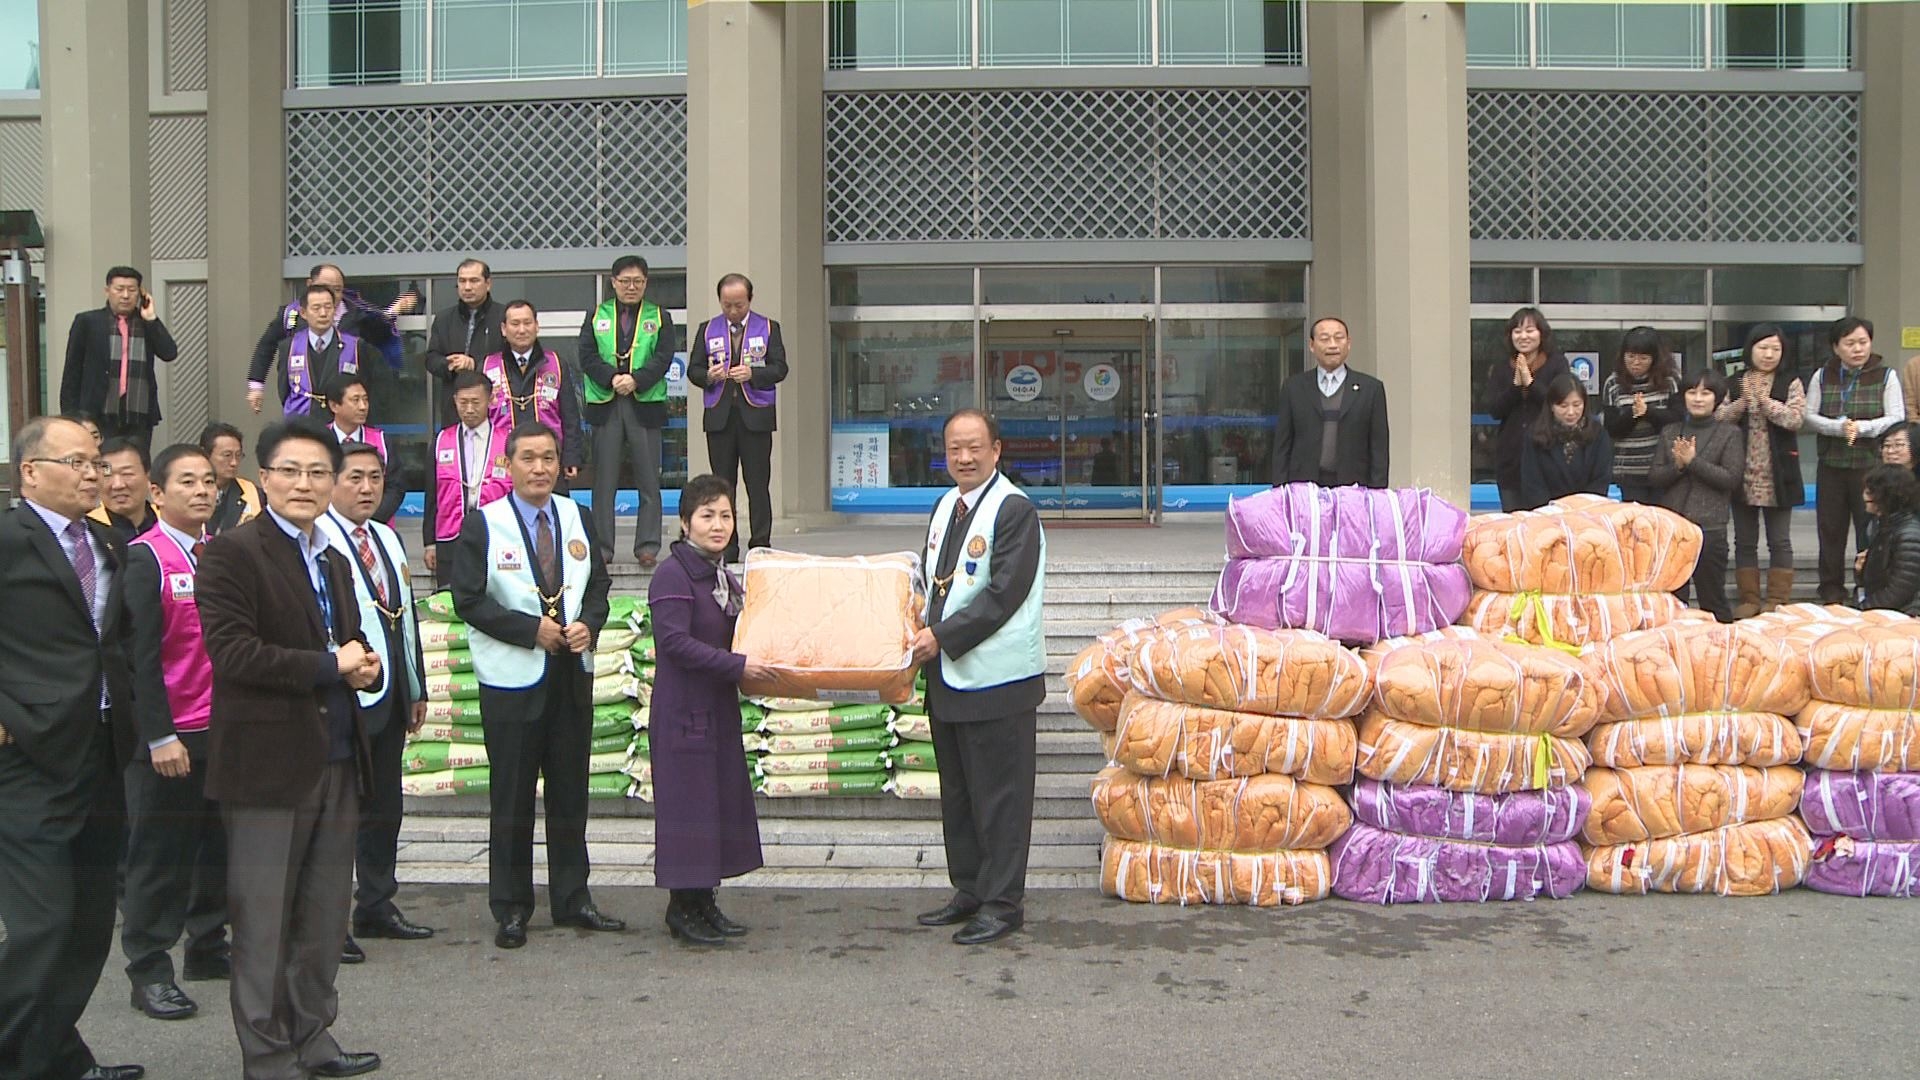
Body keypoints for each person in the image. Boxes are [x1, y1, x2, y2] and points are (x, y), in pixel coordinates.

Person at [195, 417, 384, 1080]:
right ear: (263, 478)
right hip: (267, 767)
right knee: (263, 923)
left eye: (317, 473)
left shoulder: (331, 557)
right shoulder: (230, 553)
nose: (304, 484)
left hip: (336, 756)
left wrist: (367, 668)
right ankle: (269, 1055)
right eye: (290, 471)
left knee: (324, 918)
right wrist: (334, 665)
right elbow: (234, 652)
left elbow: (356, 641)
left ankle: (314, 1039)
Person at [0, 416, 144, 1080]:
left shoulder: (108, 542)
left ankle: (53, 1054)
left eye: (97, 463)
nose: (95, 474)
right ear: (31, 471)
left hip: (103, 752)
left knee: (89, 926)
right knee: (41, 926)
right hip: (30, 759)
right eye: (78, 462)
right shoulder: (9, 538)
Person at [449, 421, 622, 950]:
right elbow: (469, 600)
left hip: (570, 675)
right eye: (528, 458)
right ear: (508, 465)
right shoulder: (484, 524)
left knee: (570, 795)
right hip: (512, 681)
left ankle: (573, 897)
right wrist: (531, 631)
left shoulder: (577, 516)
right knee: (513, 797)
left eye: (548, 458)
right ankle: (511, 907)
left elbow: (598, 585)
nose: (540, 468)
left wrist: (589, 624)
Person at [907, 410, 1047, 946]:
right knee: (960, 796)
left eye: (974, 448)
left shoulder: (1014, 509)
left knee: (1001, 799)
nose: (963, 459)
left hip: (999, 679)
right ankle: (968, 889)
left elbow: (1002, 595)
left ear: (996, 450)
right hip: (949, 675)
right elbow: (932, 579)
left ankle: (1002, 902)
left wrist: (940, 637)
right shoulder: (947, 504)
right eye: (954, 450)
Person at [120, 443, 228, 1022]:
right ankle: (149, 969)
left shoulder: (217, 554)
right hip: (170, 737)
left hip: (222, 729)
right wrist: (159, 736)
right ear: (157, 495)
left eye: (208, 481)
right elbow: (138, 657)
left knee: (217, 846)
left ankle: (208, 947)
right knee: (160, 856)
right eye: (187, 482)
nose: (202, 491)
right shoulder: (146, 559)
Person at [646, 475, 775, 945]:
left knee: (714, 807)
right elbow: (675, 643)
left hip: (716, 708)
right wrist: (740, 666)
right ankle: (682, 908)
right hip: (684, 712)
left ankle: (705, 902)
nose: (718, 525)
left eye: (725, 515)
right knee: (688, 812)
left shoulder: (723, 574)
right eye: (707, 516)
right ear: (685, 524)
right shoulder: (672, 575)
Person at [317, 442, 432, 958]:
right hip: (345, 693)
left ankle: (377, 903)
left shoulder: (387, 537)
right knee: (341, 809)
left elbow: (403, 618)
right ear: (332, 482)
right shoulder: (318, 540)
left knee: (387, 804)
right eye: (355, 478)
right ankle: (328, 918)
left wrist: (416, 686)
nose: (367, 489)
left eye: (375, 479)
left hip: (390, 691)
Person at [579, 255, 676, 569]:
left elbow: (663, 357)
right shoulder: (596, 315)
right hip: (607, 404)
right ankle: (603, 548)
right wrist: (612, 378)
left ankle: (647, 546)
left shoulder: (659, 316)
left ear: (645, 283)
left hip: (643, 403)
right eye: (625, 281)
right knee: (604, 481)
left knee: (649, 480)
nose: (631, 287)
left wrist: (636, 380)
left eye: (637, 281)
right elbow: (586, 355)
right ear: (614, 282)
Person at [1803, 317, 1906, 604]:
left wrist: (1862, 428)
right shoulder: (1822, 376)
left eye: (1863, 342)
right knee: (1830, 529)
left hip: (1870, 466)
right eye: (1850, 344)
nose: (1857, 349)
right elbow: (1809, 416)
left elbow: (1896, 416)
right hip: (1831, 466)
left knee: (1870, 529)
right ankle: (1831, 591)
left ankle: (1868, 588)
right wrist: (1837, 427)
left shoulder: (1886, 375)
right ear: (1836, 347)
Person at [687, 273, 789, 560]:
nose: (733, 311)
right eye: (727, 305)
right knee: (723, 484)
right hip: (720, 417)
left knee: (758, 484)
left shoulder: (768, 327)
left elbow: (780, 368)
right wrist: (708, 376)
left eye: (739, 305)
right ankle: (727, 546)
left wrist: (753, 374)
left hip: (755, 415)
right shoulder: (707, 329)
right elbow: (693, 370)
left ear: (750, 300)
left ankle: (760, 545)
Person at [1718, 324, 1806, 617]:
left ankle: (1778, 600)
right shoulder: (1734, 382)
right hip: (1742, 472)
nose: (1769, 355)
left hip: (1778, 473)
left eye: (1775, 349)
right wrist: (1744, 402)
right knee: (1744, 540)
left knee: (1779, 539)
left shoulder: (1790, 382)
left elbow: (1795, 419)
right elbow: (1719, 417)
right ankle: (1750, 599)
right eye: (1763, 348)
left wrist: (1765, 402)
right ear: (1750, 349)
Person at [1649, 370, 1746, 623]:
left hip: (1709, 528)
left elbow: (1730, 479)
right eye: (1692, 392)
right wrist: (1678, 466)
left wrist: (1693, 463)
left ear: (1717, 398)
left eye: (1706, 393)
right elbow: (1655, 477)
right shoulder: (1671, 431)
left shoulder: (1729, 434)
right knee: (1673, 600)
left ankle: (1724, 650)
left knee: (1712, 599)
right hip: (1673, 528)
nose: (1698, 398)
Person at [250, 264, 415, 401]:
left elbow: (380, 332)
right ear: (309, 284)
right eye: (324, 288)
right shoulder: (291, 314)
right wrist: (256, 386)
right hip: (304, 403)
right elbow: (266, 346)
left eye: (337, 289)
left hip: (344, 404)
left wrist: (394, 310)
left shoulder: (357, 314)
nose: (331, 295)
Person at [60, 265, 180, 455]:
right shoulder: (88, 322)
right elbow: (72, 372)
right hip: (98, 412)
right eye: (119, 289)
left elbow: (169, 352)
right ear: (107, 291)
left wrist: (151, 319)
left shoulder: (146, 323)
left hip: (138, 413)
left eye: (132, 290)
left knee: (136, 465)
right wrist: (69, 417)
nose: (125, 295)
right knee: (100, 463)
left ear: (140, 294)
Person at [1269, 316, 1390, 488]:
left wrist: (1378, 492)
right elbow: (1282, 445)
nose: (1332, 345)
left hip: (1354, 489)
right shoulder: (1293, 388)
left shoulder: (1371, 389)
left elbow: (1379, 449)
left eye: (1339, 338)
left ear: (1348, 343)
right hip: (1304, 488)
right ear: (1312, 345)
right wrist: (1280, 489)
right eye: (1324, 339)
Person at [424, 369, 513, 590]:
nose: (470, 409)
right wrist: (429, 543)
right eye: (463, 403)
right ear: (454, 400)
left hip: (498, 534)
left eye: (476, 402)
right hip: (451, 535)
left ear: (491, 400)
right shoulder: (441, 440)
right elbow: (432, 494)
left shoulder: (509, 440)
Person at [483, 300, 584, 485]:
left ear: (537, 326)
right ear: (504, 329)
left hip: (549, 459)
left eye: (527, 323)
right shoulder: (488, 365)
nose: (522, 330)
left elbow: (570, 415)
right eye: (515, 324)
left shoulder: (555, 363)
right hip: (502, 459)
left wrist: (572, 457)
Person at [1486, 307, 1573, 512]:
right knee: (1514, 522)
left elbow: (1560, 404)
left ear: (1541, 334)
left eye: (1530, 330)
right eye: (1517, 331)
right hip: (1511, 460)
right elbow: (1495, 410)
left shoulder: (1557, 365)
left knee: (1544, 523)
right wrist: (1516, 387)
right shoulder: (1502, 368)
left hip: (1548, 454)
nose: (1523, 336)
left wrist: (1530, 384)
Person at [248, 283, 370, 418]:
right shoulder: (289, 346)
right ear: (304, 313)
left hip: (339, 423)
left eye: (328, 307)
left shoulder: (355, 345)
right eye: (316, 308)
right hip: (301, 422)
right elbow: (284, 390)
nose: (323, 313)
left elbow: (365, 387)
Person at [1601, 326, 1681, 505]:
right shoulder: (1613, 383)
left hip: (1662, 468)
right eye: (1630, 356)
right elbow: (1611, 429)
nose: (1636, 363)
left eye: (1643, 358)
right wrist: (1633, 414)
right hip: (1628, 470)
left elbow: (1677, 419)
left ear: (1655, 359)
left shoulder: (1670, 380)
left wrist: (1649, 412)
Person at [424, 258, 506, 428]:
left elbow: (510, 360)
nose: (467, 287)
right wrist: (448, 364)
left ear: (488, 283)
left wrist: (475, 364)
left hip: (495, 408)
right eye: (462, 281)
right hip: (454, 407)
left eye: (474, 281)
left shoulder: (503, 316)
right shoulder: (444, 318)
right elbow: (431, 359)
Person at [1517, 373, 1614, 510]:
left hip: (1587, 514)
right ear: (1551, 406)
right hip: (1547, 516)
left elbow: (1601, 479)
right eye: (1563, 406)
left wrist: (1581, 508)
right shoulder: (1535, 436)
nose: (1571, 412)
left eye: (1576, 405)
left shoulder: (1598, 434)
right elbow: (1532, 482)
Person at [322, 374, 404, 524]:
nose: (363, 406)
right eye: (355, 400)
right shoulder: (319, 441)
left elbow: (395, 488)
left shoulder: (381, 440)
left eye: (365, 400)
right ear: (334, 406)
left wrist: (368, 520)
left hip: (376, 526)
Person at [1857, 465, 1920, 615]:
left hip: (1904, 615)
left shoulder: (1908, 534)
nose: (1865, 496)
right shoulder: (1883, 525)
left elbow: (1899, 591)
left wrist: (1862, 610)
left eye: (1870, 491)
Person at [89, 436, 158, 543]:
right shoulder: (88, 530)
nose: (118, 485)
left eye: (127, 474)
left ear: (148, 476)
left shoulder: (170, 522)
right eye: (107, 475)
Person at [202, 422, 262, 537]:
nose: (234, 463)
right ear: (205, 455)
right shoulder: (189, 492)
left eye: (238, 455)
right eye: (227, 455)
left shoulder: (253, 493)